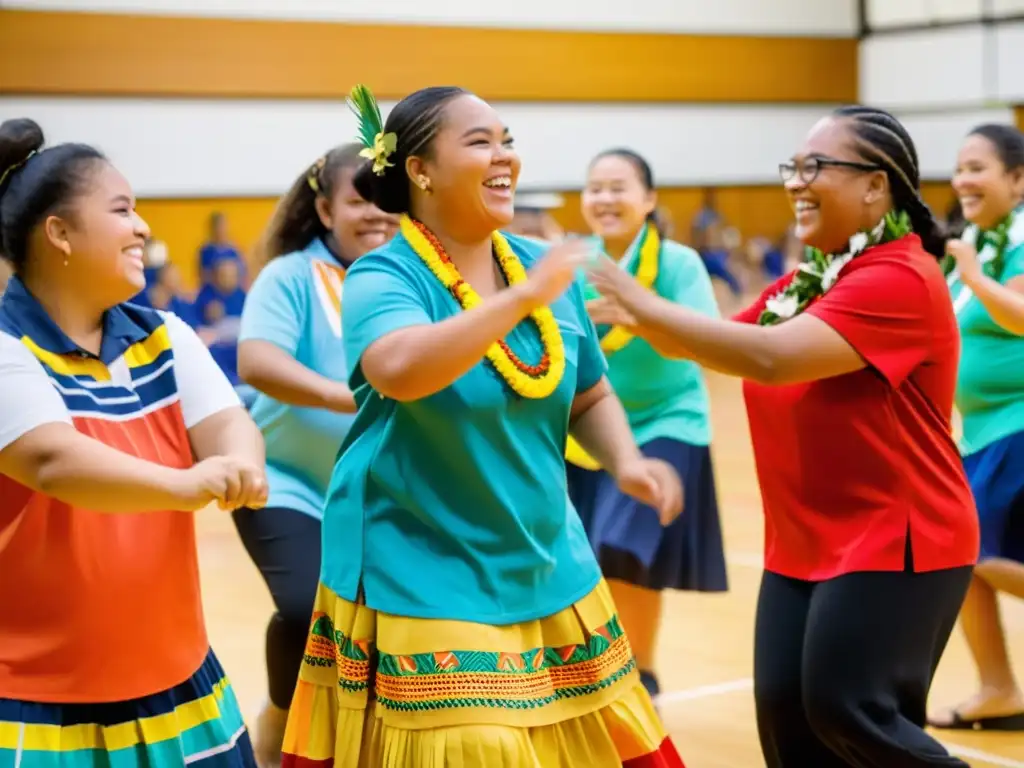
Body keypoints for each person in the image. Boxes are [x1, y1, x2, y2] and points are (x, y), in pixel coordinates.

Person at [279, 84, 686, 768]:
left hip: (544, 552)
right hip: (418, 557)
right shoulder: (386, 274)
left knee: (603, 739)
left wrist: (626, 463)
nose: (504, 158)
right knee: (473, 746)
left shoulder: (535, 266)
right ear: (420, 169)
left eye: (508, 141)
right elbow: (399, 369)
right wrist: (524, 298)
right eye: (479, 142)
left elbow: (587, 394)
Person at [586, 105, 979, 767]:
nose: (796, 182)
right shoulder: (814, 279)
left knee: (848, 708)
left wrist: (644, 303)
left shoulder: (898, 277)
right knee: (789, 723)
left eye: (815, 167)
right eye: (793, 167)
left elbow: (771, 357)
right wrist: (609, 313)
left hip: (897, 537)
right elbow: (726, 343)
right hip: (804, 541)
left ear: (875, 186)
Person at [0, 118, 268, 766]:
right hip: (40, 699)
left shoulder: (166, 336)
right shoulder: (7, 348)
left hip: (179, 682)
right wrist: (182, 486)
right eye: (122, 209)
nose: (143, 228)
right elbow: (51, 459)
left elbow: (228, 421)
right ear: (59, 233)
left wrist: (242, 462)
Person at [234, 142, 398, 766]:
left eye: (388, 203)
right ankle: (278, 723)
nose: (377, 216)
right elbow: (257, 362)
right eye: (360, 201)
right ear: (326, 209)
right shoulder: (292, 276)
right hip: (285, 484)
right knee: (307, 607)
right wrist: (346, 397)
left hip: (380, 493)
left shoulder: (409, 277)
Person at [566, 148, 727, 702]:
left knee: (624, 543)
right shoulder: (571, 264)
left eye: (618, 187)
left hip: (667, 421)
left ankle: (641, 669)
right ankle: (612, 670)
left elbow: (701, 345)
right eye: (595, 187)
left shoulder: (678, 264)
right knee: (586, 552)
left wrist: (642, 314)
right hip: (586, 426)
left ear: (649, 200)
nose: (605, 199)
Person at [929, 123, 1024, 732]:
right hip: (981, 434)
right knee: (962, 558)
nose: (963, 179)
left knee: (968, 553)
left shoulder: (1007, 247)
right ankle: (998, 688)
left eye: (978, 167)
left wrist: (973, 274)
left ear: (1017, 180)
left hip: (1018, 428)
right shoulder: (977, 247)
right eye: (959, 167)